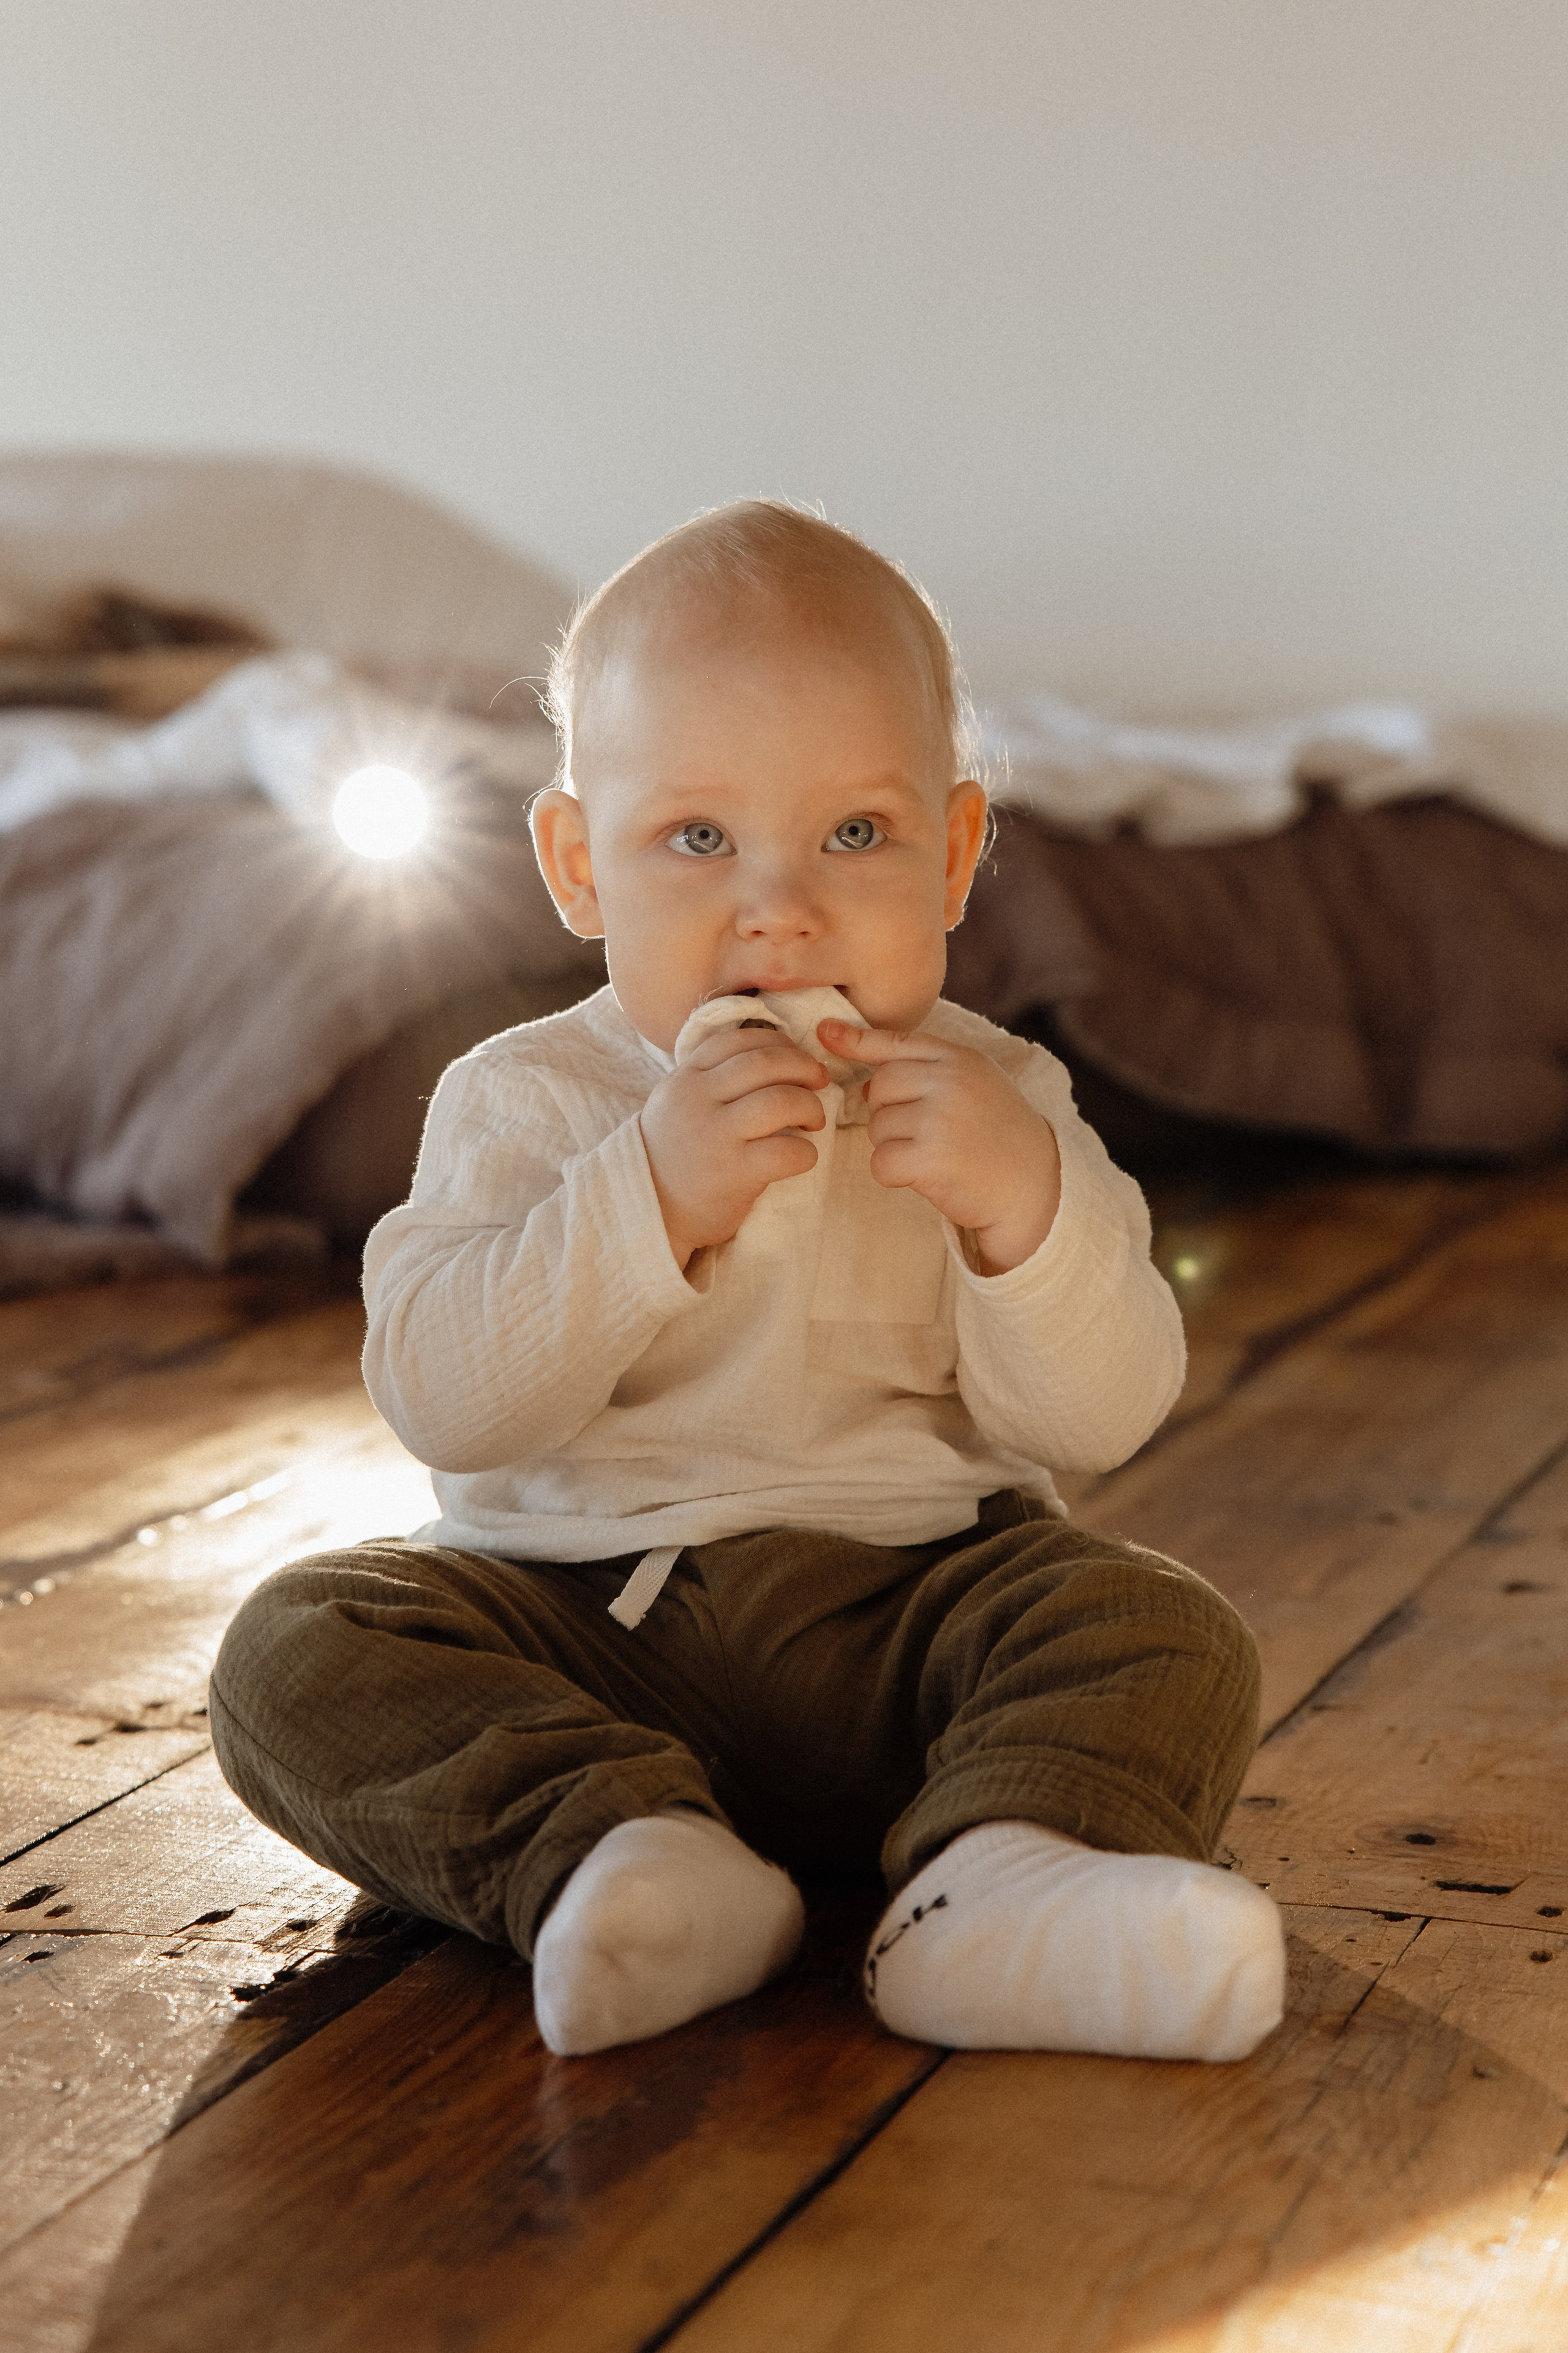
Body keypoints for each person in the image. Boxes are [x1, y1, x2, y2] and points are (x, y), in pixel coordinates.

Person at [211, 502, 1286, 2062]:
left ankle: (995, 1883)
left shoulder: (1002, 1097)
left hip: (912, 1614)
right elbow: (444, 1397)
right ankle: (621, 1858)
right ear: (579, 866)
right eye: (696, 839)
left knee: (1160, 1626)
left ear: (957, 853)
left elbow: (1104, 1416)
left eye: (854, 836)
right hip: (579, 1620)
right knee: (293, 1649)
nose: (777, 907)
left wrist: (1018, 1216)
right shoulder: (522, 1100)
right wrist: (645, 1194)